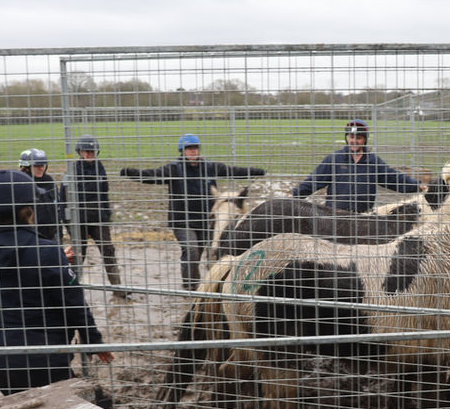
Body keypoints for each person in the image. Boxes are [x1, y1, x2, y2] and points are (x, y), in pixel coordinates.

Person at [0, 169, 113, 396]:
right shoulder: (45, 250)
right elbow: (73, 302)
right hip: (45, 357)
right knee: (93, 402)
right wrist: (93, 340)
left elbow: (11, 275)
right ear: (27, 209)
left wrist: (54, 260)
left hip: (1, 358)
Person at [120, 134, 265, 291]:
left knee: (205, 253)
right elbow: (152, 175)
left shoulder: (209, 167)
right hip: (183, 221)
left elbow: (232, 171)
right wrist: (131, 173)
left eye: (195, 148)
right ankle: (191, 287)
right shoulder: (174, 169)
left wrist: (255, 172)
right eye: (189, 149)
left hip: (206, 221)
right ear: (182, 151)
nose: (192, 151)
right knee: (191, 250)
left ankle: (211, 285)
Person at [292, 119, 425, 213]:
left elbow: (392, 178)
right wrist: (295, 195)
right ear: (347, 138)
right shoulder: (335, 159)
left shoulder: (372, 161)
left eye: (359, 138)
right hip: (334, 214)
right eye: (351, 137)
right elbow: (314, 180)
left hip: (363, 216)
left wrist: (416, 186)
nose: (354, 141)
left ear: (365, 139)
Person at [59, 135, 125, 298]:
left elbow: (104, 193)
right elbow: (63, 199)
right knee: (78, 255)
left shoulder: (100, 168)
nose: (89, 154)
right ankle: (71, 289)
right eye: (86, 151)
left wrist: (106, 214)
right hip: (78, 221)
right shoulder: (72, 170)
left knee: (108, 251)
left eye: (92, 151)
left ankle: (118, 288)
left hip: (99, 220)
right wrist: (68, 223)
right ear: (80, 152)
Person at [18, 148, 62, 242]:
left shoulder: (49, 181)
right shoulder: (20, 183)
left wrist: (59, 232)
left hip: (52, 232)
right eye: (37, 165)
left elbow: (56, 207)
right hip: (30, 235)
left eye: (42, 165)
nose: (41, 168)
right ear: (26, 166)